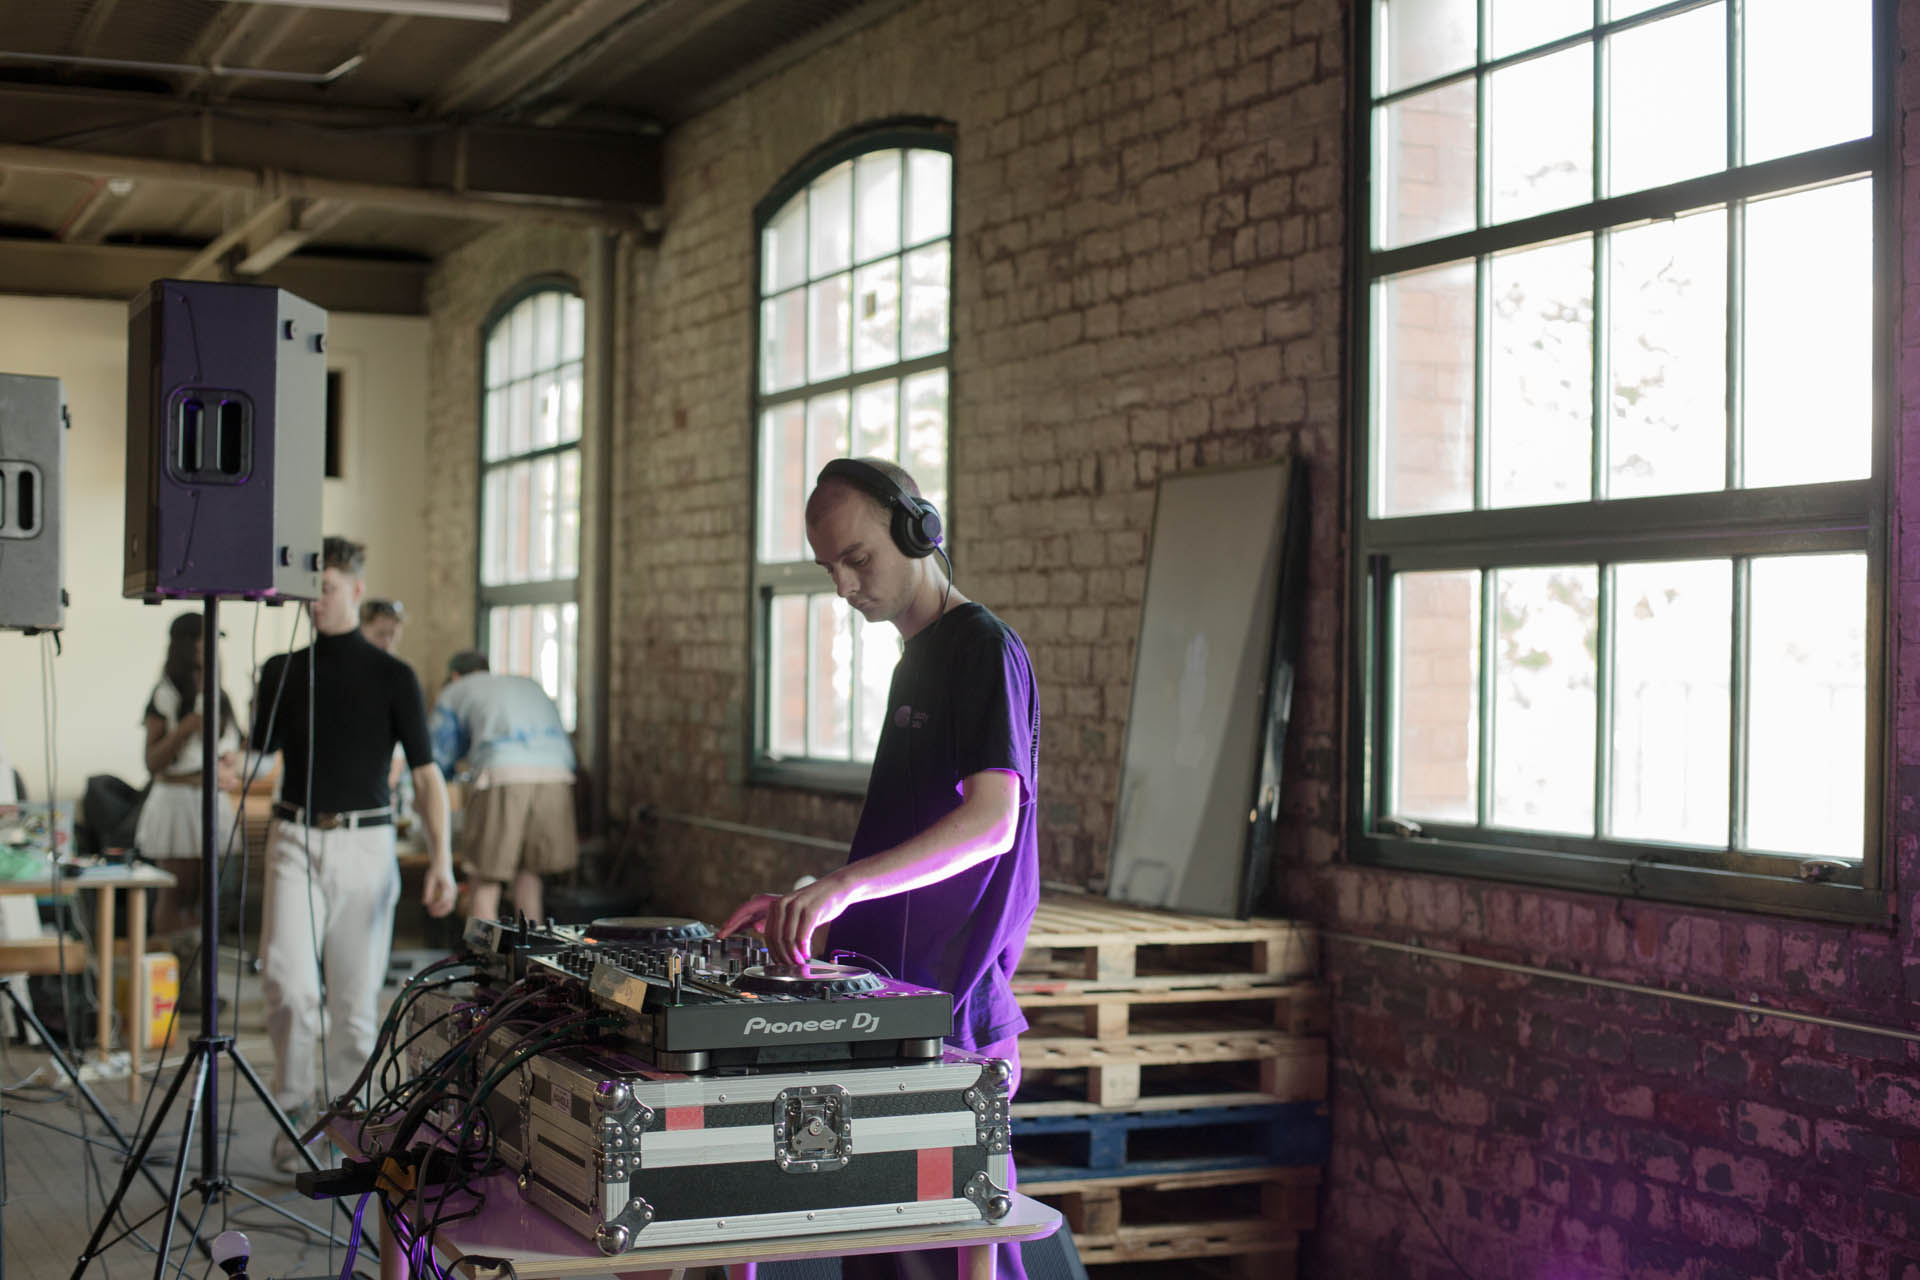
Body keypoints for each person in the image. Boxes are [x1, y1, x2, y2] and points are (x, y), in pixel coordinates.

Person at [721, 458, 1040, 1280]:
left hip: (955, 1008)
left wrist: (843, 885)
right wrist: (821, 905)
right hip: (897, 1005)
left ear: (917, 531)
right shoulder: (917, 659)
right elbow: (912, 842)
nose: (843, 586)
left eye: (858, 558)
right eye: (830, 569)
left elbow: (990, 822)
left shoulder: (981, 648)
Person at [251, 536, 456, 1170]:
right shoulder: (281, 670)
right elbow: (257, 758)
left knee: (354, 1003)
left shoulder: (394, 676)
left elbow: (426, 777)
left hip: (366, 846)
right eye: (310, 588)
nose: (317, 600)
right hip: (292, 836)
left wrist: (444, 861)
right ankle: (295, 1111)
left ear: (357, 590)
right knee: (286, 983)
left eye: (330, 587)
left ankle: (345, 1124)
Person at [431, 650, 578, 925]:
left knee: (485, 880)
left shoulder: (455, 690)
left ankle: (482, 961)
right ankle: (531, 960)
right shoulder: (528, 684)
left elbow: (438, 756)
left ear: (454, 675)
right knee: (529, 875)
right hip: (556, 777)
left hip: (502, 776)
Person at [134, 612, 244, 861]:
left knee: (208, 891)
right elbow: (152, 762)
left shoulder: (220, 696)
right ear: (188, 644)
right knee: (177, 890)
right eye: (205, 639)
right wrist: (183, 730)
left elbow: (237, 745)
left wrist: (231, 763)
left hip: (214, 801)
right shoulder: (165, 694)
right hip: (178, 805)